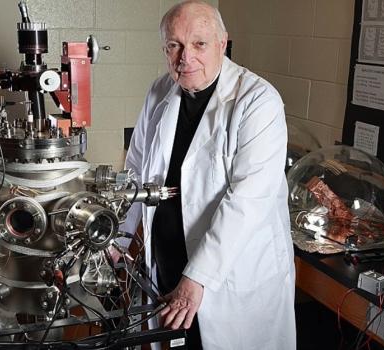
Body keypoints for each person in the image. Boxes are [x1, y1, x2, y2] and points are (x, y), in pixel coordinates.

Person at [120, 1, 296, 348]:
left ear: (222, 43)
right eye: (174, 45)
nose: (185, 57)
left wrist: (197, 278)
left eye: (199, 43)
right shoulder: (159, 92)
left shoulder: (258, 100)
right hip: (168, 264)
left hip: (229, 278)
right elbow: (136, 172)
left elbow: (247, 201)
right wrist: (117, 239)